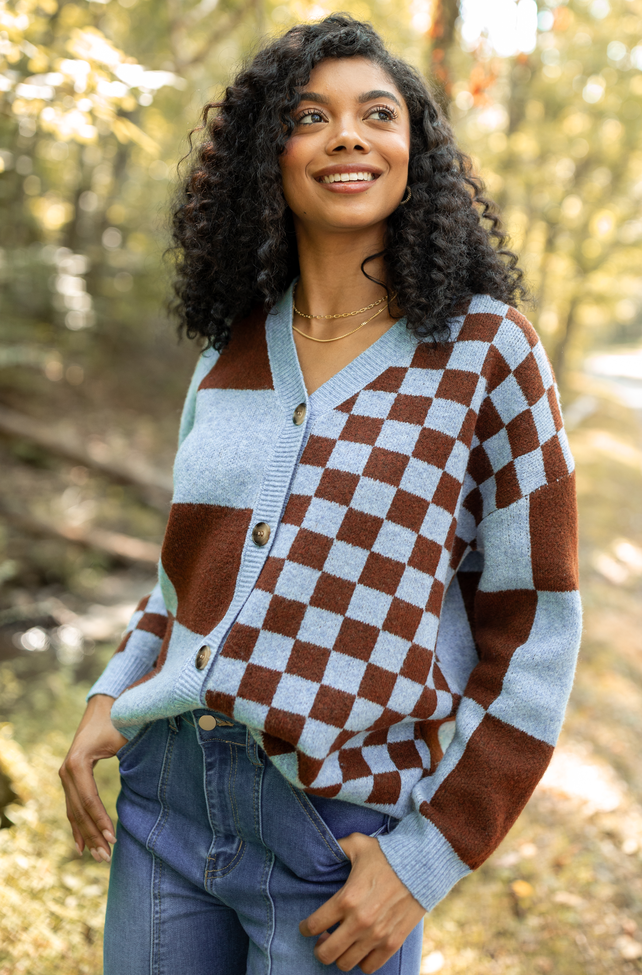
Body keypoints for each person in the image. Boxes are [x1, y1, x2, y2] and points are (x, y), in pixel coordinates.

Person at [59, 14, 581, 975]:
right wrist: (112, 691)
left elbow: (534, 629)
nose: (348, 134)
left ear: (412, 149)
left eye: (377, 113)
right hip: (168, 799)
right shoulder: (231, 352)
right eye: (312, 115)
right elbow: (187, 586)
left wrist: (428, 858)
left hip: (336, 842)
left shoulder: (486, 352)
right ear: (272, 156)